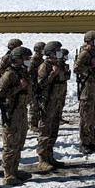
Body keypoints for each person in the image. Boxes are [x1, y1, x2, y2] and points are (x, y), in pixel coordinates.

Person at [0, 46, 33, 185]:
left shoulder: (22, 72)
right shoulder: (9, 74)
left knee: (19, 142)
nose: (28, 60)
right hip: (11, 113)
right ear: (17, 59)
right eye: (25, 58)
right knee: (10, 143)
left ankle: (15, 169)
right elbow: (1, 94)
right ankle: (8, 174)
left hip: (21, 110)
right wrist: (19, 87)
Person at [35, 41, 67, 171]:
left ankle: (49, 156)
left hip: (57, 101)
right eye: (57, 50)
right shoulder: (45, 66)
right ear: (50, 53)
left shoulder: (59, 64)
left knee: (54, 130)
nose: (59, 52)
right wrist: (52, 74)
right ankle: (42, 159)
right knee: (45, 131)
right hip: (47, 103)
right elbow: (41, 83)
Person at [74, 31, 95, 153]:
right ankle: (84, 143)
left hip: (94, 89)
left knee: (93, 118)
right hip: (86, 90)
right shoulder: (85, 53)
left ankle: (91, 142)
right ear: (90, 41)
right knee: (86, 118)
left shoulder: (94, 52)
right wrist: (90, 67)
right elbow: (76, 69)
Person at [28, 41, 45, 132]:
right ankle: (33, 124)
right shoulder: (33, 60)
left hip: (39, 84)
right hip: (33, 84)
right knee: (34, 105)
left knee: (39, 104)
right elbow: (29, 72)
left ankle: (38, 121)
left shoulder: (41, 60)